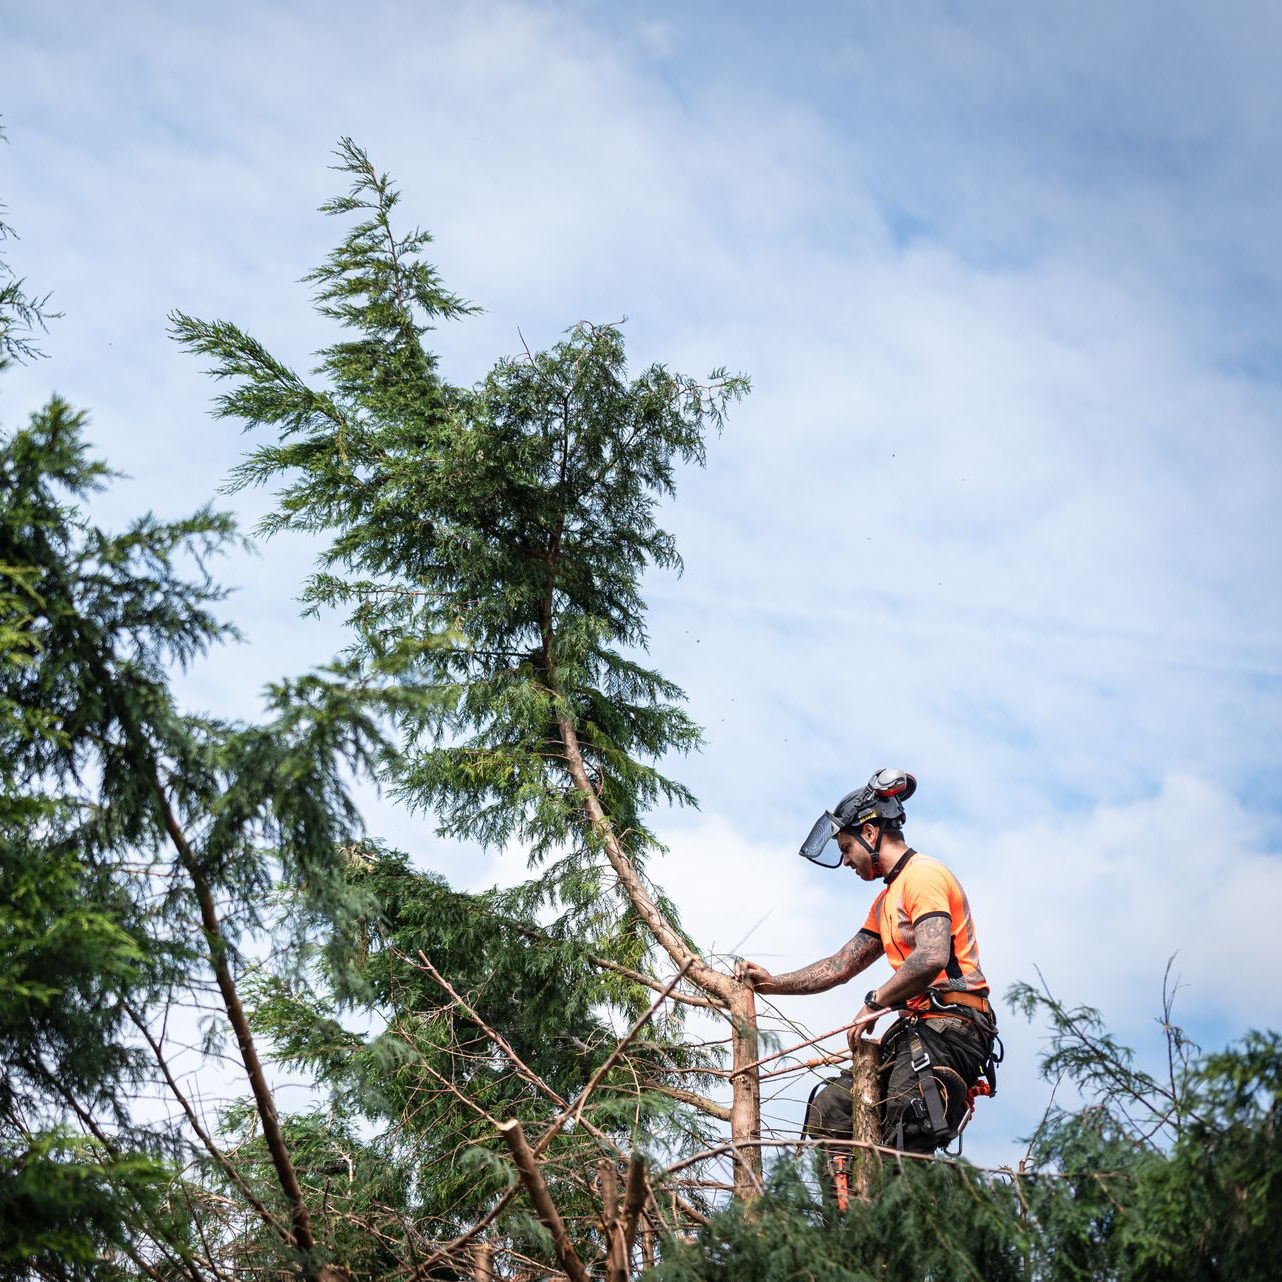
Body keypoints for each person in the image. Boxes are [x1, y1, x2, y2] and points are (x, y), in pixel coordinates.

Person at [735, 769, 1000, 1155]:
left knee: (906, 1112)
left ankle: (902, 1206)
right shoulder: (885, 902)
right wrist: (773, 982)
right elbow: (840, 965)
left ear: (871, 833)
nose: (845, 860)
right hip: (919, 1029)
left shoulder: (923, 876)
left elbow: (931, 955)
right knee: (832, 1108)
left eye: (846, 848)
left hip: (953, 1025)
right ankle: (849, 1214)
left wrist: (877, 1001)